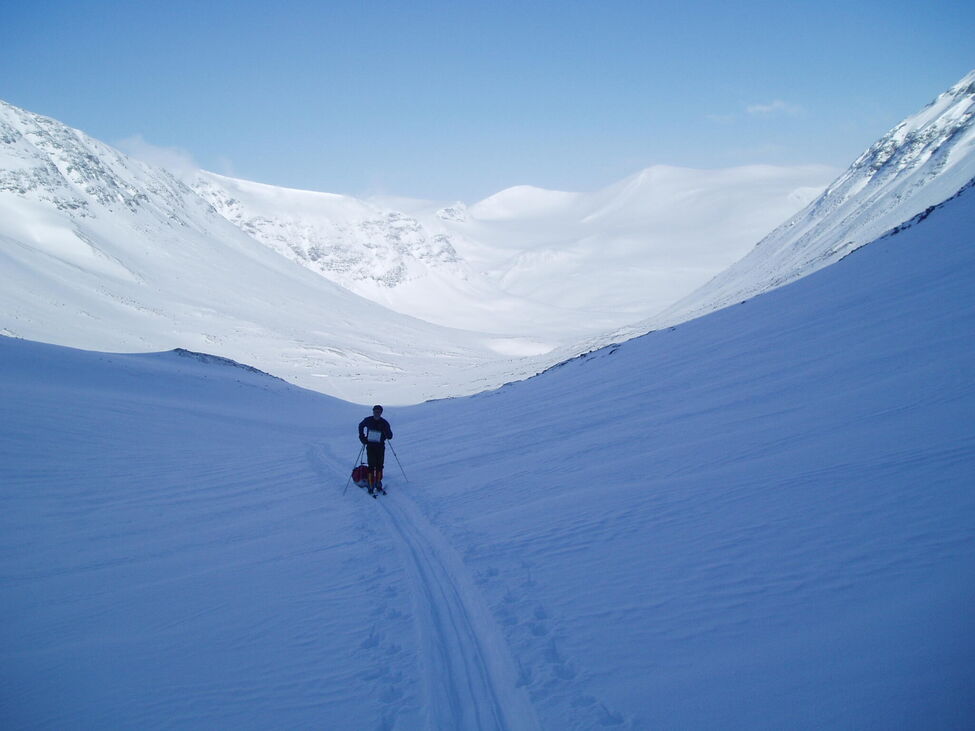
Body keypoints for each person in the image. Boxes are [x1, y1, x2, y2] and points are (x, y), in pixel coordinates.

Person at [358, 405, 393, 494]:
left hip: (380, 446)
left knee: (379, 465)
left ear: (381, 412)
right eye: (375, 411)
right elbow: (360, 426)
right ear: (373, 412)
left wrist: (385, 431)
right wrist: (362, 438)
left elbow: (390, 436)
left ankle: (378, 483)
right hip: (370, 446)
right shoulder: (368, 420)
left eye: (378, 412)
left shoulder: (384, 423)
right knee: (371, 465)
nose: (377, 413)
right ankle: (371, 484)